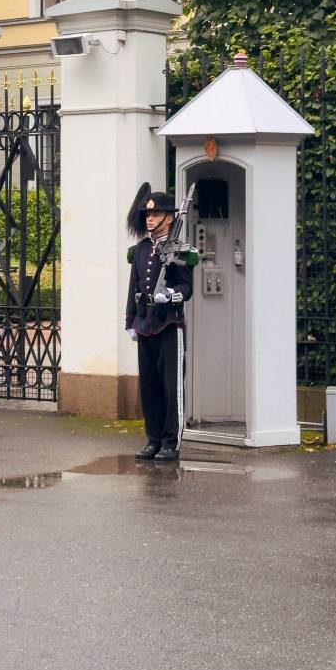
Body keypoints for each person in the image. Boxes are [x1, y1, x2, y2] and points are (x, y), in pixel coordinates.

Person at [125, 184, 195, 462]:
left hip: (169, 324)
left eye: (155, 215)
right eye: (147, 216)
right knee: (150, 387)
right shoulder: (140, 250)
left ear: (169, 217)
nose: (149, 219)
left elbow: (187, 287)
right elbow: (133, 287)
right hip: (146, 324)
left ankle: (170, 442)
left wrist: (171, 295)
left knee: (171, 386)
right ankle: (153, 439)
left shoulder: (181, 250)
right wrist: (130, 320)